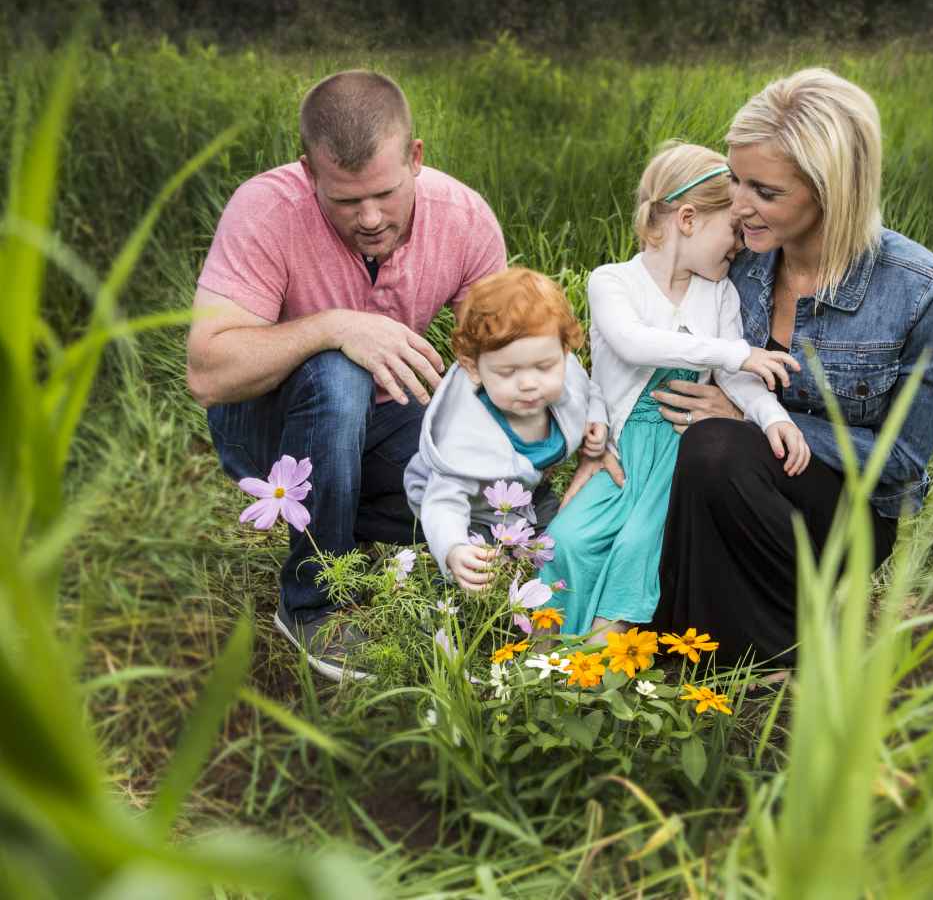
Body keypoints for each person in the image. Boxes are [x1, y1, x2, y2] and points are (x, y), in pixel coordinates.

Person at [617, 67, 933, 671]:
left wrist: (759, 426)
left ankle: (772, 656)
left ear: (832, 191)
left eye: (765, 192)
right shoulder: (736, 260)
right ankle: (705, 640)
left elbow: (903, 460)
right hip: (714, 483)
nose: (739, 206)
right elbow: (642, 310)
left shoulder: (921, 291)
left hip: (845, 512)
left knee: (719, 444)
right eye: (735, 181)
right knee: (701, 450)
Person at [186, 70, 507, 680]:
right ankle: (313, 602)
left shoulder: (464, 218)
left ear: (416, 158)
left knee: (492, 494)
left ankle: (352, 525)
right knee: (339, 371)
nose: (368, 217)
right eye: (344, 199)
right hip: (267, 432)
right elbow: (207, 374)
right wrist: (334, 327)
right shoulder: (265, 210)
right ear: (309, 172)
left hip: (381, 422)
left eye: (385, 193)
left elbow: (501, 357)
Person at [544, 142, 809, 638]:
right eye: (731, 230)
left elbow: (737, 380)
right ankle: (540, 652)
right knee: (568, 539)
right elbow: (634, 342)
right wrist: (736, 353)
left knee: (636, 548)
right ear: (687, 220)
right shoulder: (613, 282)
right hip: (623, 453)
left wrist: (774, 417)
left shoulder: (719, 293)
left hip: (677, 455)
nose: (739, 246)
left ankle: (597, 670)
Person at [404, 268, 608, 591]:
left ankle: (552, 600)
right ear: (474, 367)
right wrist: (453, 548)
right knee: (483, 570)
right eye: (508, 372)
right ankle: (453, 605)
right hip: (478, 511)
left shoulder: (565, 374)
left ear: (564, 353)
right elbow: (444, 501)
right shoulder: (465, 435)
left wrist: (597, 421)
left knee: (563, 541)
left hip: (530, 495)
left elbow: (588, 391)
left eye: (544, 367)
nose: (529, 383)